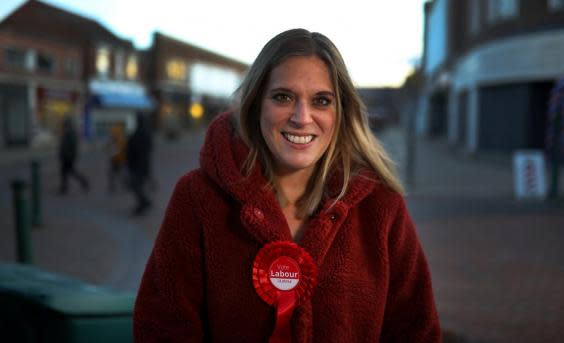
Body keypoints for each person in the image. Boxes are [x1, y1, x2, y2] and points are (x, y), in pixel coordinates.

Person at [134, 29, 441, 342]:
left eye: (321, 101)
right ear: (256, 104)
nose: (301, 117)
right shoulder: (198, 196)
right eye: (283, 97)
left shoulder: (381, 206)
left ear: (340, 113)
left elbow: (416, 330)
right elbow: (163, 327)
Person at [126, 113, 153, 215]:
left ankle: (143, 203)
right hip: (143, 164)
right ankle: (145, 202)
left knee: (135, 185)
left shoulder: (137, 134)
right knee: (137, 185)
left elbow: (132, 149)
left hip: (137, 165)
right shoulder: (146, 133)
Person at [58, 117, 89, 194]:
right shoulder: (67, 133)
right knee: (65, 172)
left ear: (69, 125)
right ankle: (64, 187)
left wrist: (68, 156)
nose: (64, 127)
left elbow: (71, 147)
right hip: (66, 157)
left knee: (70, 172)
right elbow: (63, 145)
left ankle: (83, 182)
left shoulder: (71, 134)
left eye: (65, 125)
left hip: (68, 157)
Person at [106, 124, 127, 193]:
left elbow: (124, 149)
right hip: (116, 160)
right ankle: (114, 185)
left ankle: (118, 185)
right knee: (114, 174)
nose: (113, 134)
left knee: (117, 174)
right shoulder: (116, 141)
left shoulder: (120, 141)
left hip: (119, 160)